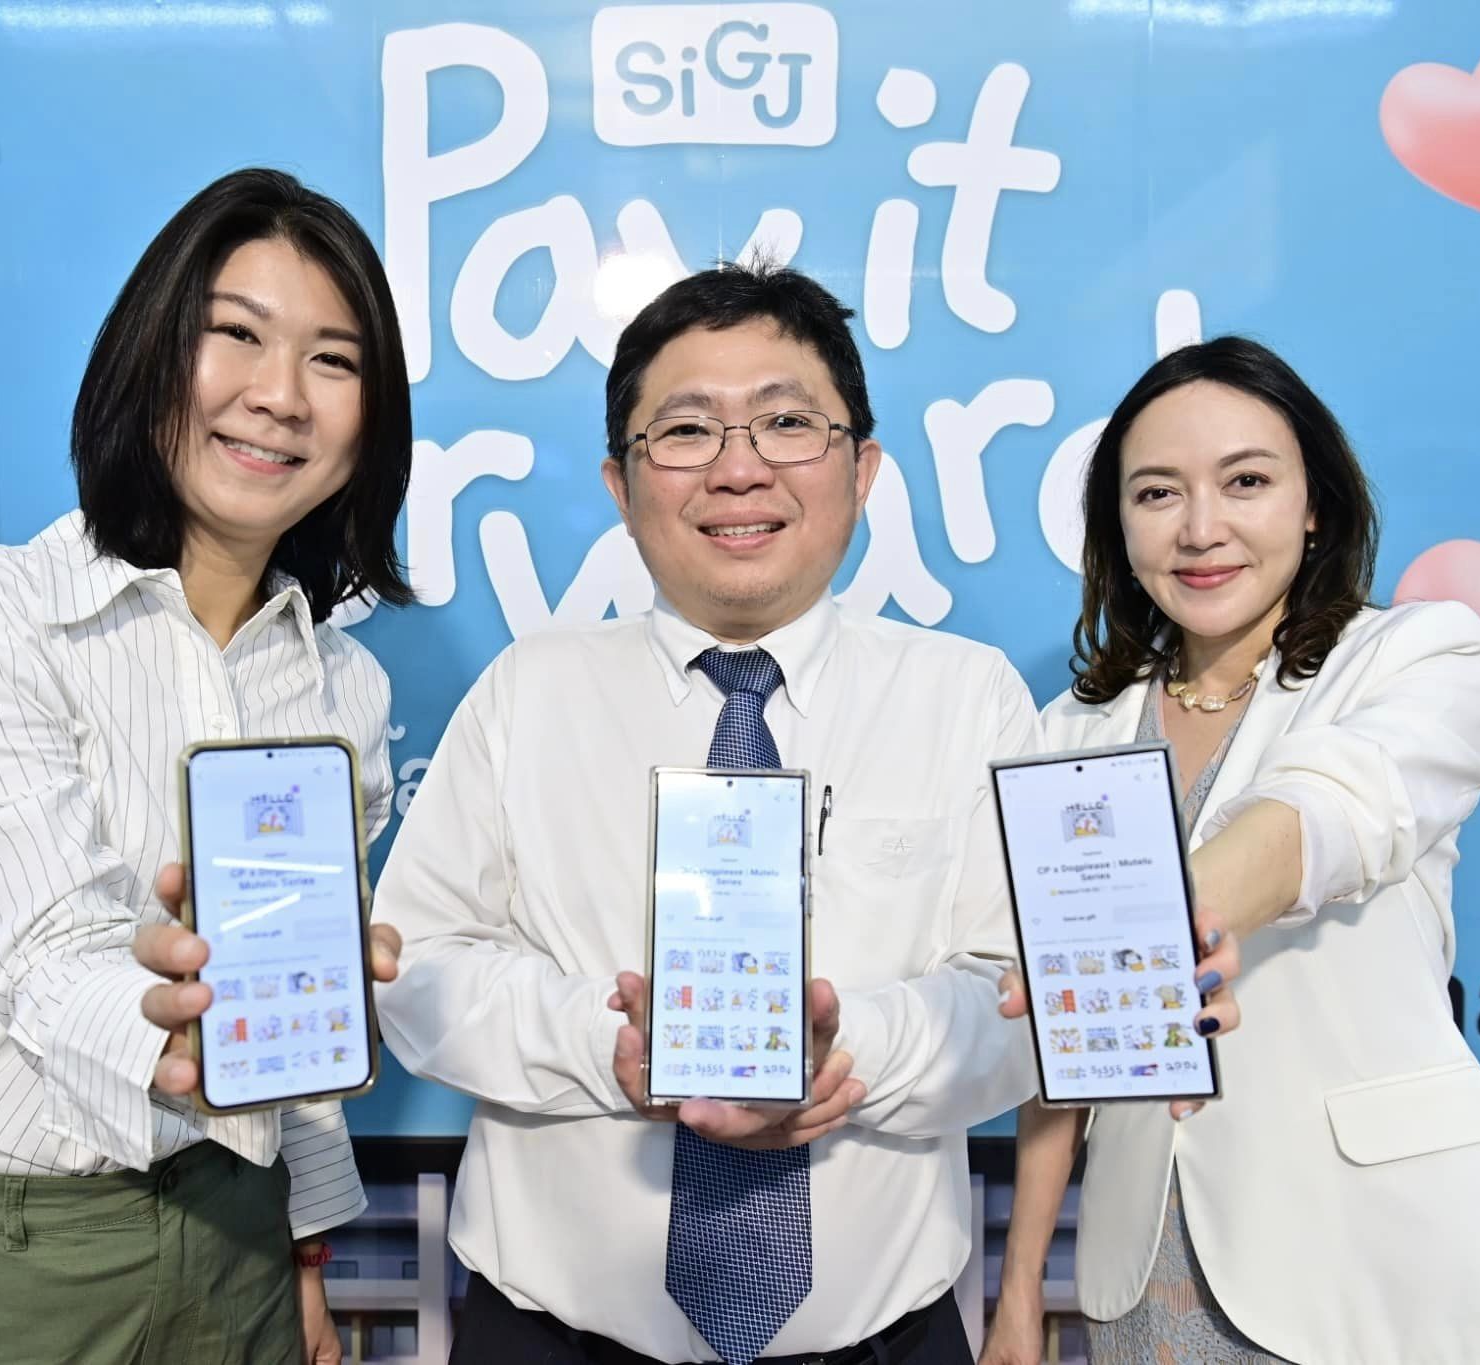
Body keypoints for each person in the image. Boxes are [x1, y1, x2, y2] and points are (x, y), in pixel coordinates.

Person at [364, 259, 1230, 1365]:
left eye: (785, 423)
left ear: (861, 470)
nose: (738, 470)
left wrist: (839, 1054)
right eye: (685, 432)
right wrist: (613, 1045)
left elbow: (1020, 1003)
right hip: (545, 1336)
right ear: (620, 485)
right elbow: (419, 972)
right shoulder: (528, 692)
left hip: (885, 1341)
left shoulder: (965, 698)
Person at [0, 168, 414, 1365]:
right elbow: (46, 946)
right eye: (237, 335)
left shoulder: (347, 688)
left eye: (333, 361)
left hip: (236, 1237)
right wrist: (168, 1038)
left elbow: (295, 1057)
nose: (279, 396)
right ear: (151, 351)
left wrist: (301, 1249)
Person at [978, 337, 1480, 1365]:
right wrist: (1021, 1287)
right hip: (1143, 1270)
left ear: (1313, 506)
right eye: (1155, 493)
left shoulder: (1415, 654)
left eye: (1245, 481)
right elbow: (1059, 1052)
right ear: (1116, 527)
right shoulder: (1070, 730)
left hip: (1380, 1262)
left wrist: (1169, 916)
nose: (1199, 528)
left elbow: (1331, 810)